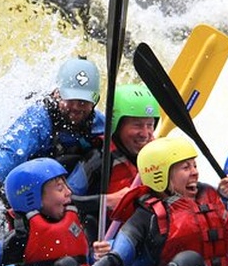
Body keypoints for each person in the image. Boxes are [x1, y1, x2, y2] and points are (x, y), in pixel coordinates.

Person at [50, 137, 228, 266]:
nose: (195, 172)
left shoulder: (210, 197)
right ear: (161, 175)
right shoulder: (144, 217)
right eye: (186, 167)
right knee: (188, 263)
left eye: (195, 165)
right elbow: (115, 261)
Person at [0, 57, 105, 239]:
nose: (76, 107)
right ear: (57, 94)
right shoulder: (39, 119)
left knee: (98, 156)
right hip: (29, 186)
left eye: (83, 102)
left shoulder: (96, 122)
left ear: (94, 101)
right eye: (71, 99)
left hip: (61, 188)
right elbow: (10, 151)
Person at [69, 83, 160, 241]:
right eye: (137, 125)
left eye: (150, 125)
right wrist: (107, 201)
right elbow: (64, 202)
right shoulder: (98, 159)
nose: (145, 134)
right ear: (116, 125)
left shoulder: (160, 156)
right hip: (104, 245)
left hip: (146, 240)